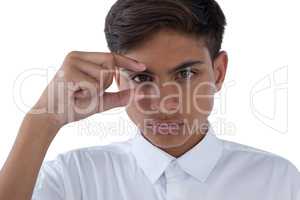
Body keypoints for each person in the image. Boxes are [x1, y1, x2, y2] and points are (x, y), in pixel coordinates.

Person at [0, 0, 299, 199]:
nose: (164, 103)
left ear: (218, 73)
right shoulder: (72, 178)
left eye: (185, 74)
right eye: (143, 78)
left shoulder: (278, 181)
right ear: (119, 78)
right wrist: (42, 122)